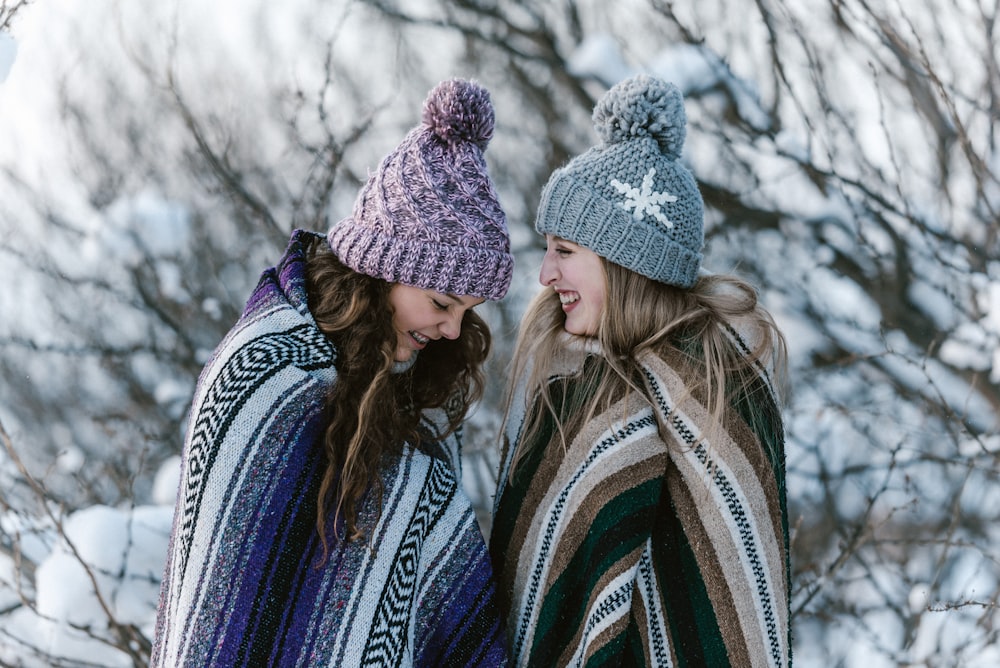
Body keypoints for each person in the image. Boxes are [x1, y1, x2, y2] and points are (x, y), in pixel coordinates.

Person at [152, 78, 514, 667]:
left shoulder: (389, 396)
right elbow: (219, 604)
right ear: (382, 270)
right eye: (442, 303)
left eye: (467, 312)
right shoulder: (264, 374)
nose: (452, 330)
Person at [489, 74, 792, 667]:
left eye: (566, 251)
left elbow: (744, 605)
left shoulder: (725, 391)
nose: (546, 275)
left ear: (626, 262)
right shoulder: (571, 388)